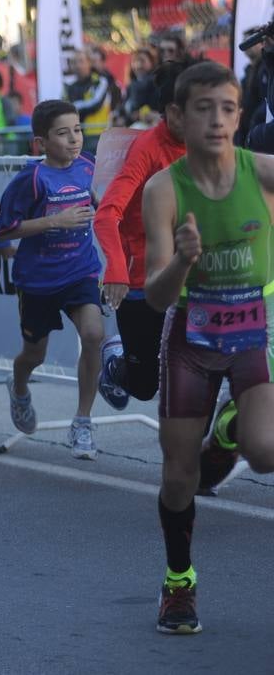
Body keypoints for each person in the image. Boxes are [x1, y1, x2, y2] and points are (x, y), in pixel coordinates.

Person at [140, 62, 274, 635]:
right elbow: (153, 294)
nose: (216, 119)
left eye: (227, 108)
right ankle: (178, 582)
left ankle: (231, 430)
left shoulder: (265, 172)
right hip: (191, 338)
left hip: (253, 335)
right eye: (203, 108)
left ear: (240, 117)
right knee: (178, 478)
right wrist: (183, 260)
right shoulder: (163, 189)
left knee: (265, 452)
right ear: (177, 117)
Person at [0, 100, 105, 460]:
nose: (74, 139)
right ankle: (20, 386)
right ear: (41, 142)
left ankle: (83, 421)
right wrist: (53, 222)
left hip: (81, 270)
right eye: (63, 133)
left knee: (94, 334)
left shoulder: (88, 165)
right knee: (33, 355)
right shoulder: (31, 180)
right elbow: (5, 228)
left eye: (77, 130)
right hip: (38, 279)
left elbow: (100, 203)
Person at [95, 64, 186, 411]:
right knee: (145, 386)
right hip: (140, 279)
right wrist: (115, 270)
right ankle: (116, 361)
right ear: (172, 112)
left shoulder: (211, 143)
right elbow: (107, 213)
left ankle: (195, 456)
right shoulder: (148, 148)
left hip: (191, 276)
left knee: (196, 373)